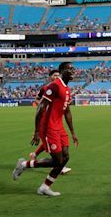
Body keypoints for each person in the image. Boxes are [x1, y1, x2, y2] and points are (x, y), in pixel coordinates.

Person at [12, 62, 78, 197]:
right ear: (62, 71)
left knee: (65, 158)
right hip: (48, 127)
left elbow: (67, 112)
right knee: (57, 161)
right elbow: (40, 107)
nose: (73, 71)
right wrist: (36, 131)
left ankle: (44, 187)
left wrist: (72, 132)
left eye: (73, 69)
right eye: (70, 69)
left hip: (59, 127)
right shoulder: (54, 86)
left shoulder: (67, 89)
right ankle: (24, 164)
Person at [30, 69, 71, 175]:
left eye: (58, 75)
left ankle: (35, 155)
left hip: (57, 119)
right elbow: (37, 99)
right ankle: (58, 165)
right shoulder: (46, 88)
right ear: (50, 77)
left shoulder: (61, 88)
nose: (57, 77)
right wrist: (44, 105)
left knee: (54, 140)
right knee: (52, 139)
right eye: (54, 75)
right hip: (47, 118)